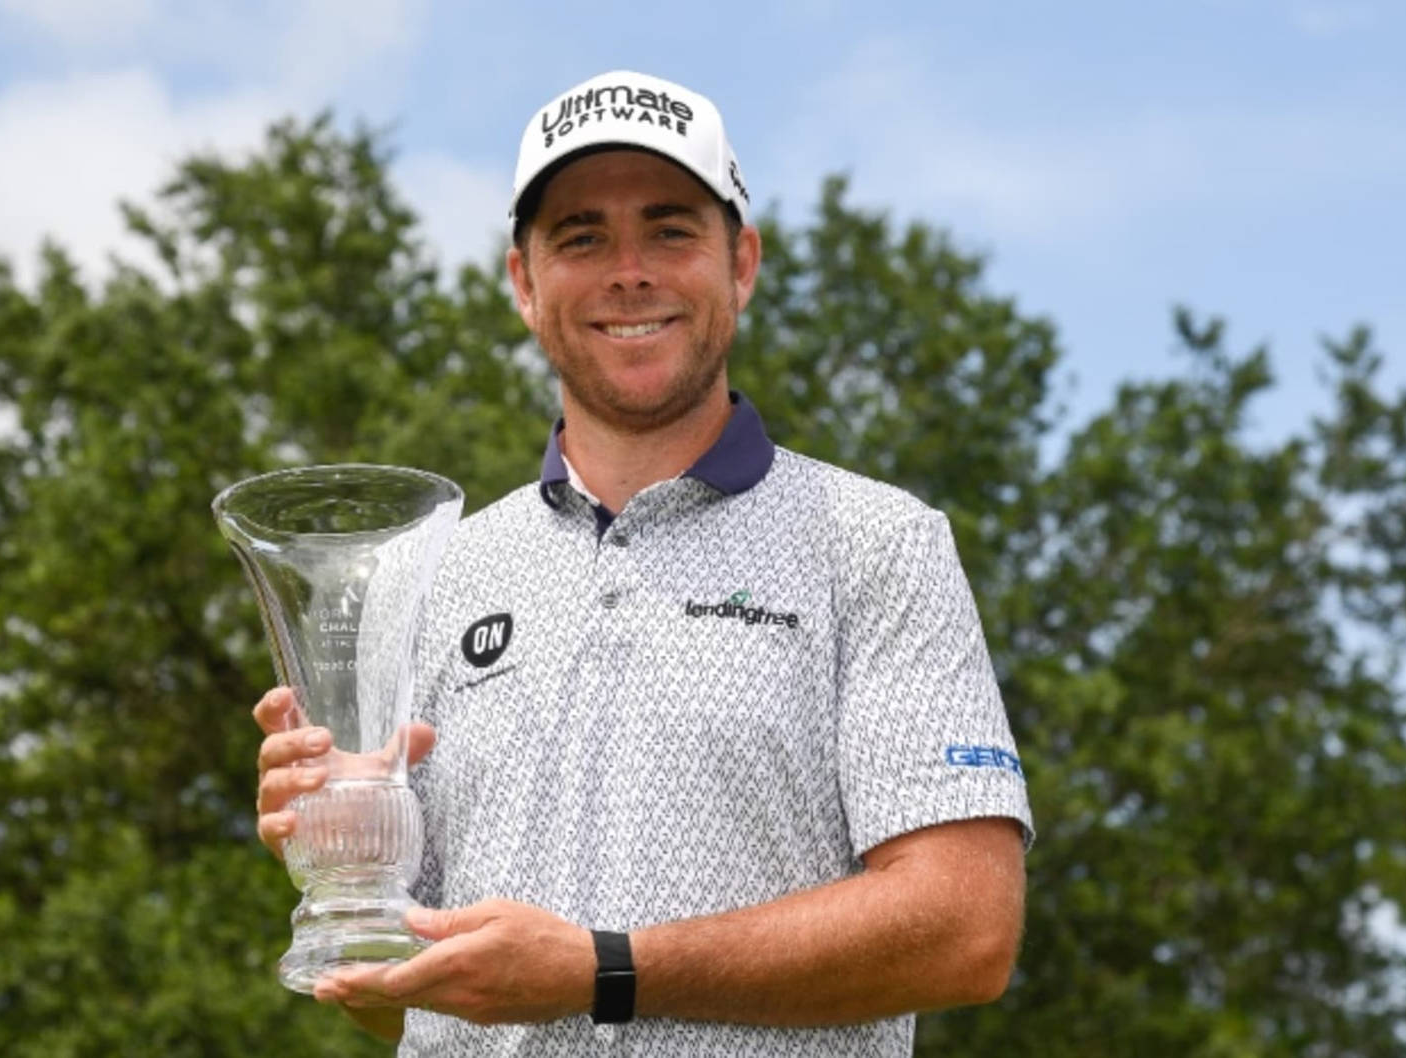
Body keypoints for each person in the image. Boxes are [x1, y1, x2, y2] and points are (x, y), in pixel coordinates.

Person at [252, 69, 1033, 1056]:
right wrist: (340, 855)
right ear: (524, 284)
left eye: (670, 229)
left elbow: (965, 929)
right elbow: (407, 996)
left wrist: (602, 968)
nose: (629, 271)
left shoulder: (874, 541)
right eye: (582, 237)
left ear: (740, 264)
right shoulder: (438, 572)